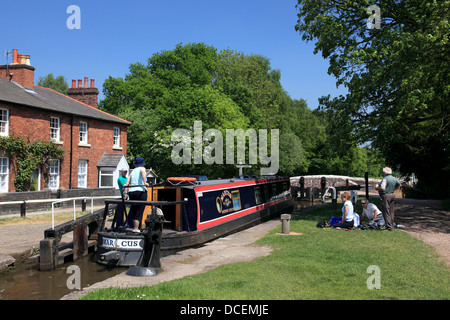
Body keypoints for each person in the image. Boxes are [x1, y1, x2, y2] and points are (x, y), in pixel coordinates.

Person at [123, 157, 149, 233]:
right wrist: (144, 182)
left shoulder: (133, 171)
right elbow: (143, 173)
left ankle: (135, 227)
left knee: (134, 210)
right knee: (139, 210)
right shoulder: (142, 168)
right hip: (140, 191)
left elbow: (128, 180)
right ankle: (136, 229)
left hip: (132, 192)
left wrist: (126, 187)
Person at [375, 167, 401, 231]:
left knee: (386, 211)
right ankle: (391, 225)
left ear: (384, 173)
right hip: (392, 194)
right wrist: (392, 189)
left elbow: (383, 188)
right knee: (391, 211)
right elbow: (398, 185)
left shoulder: (385, 179)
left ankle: (388, 227)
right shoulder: (394, 179)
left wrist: (377, 188)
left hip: (386, 195)